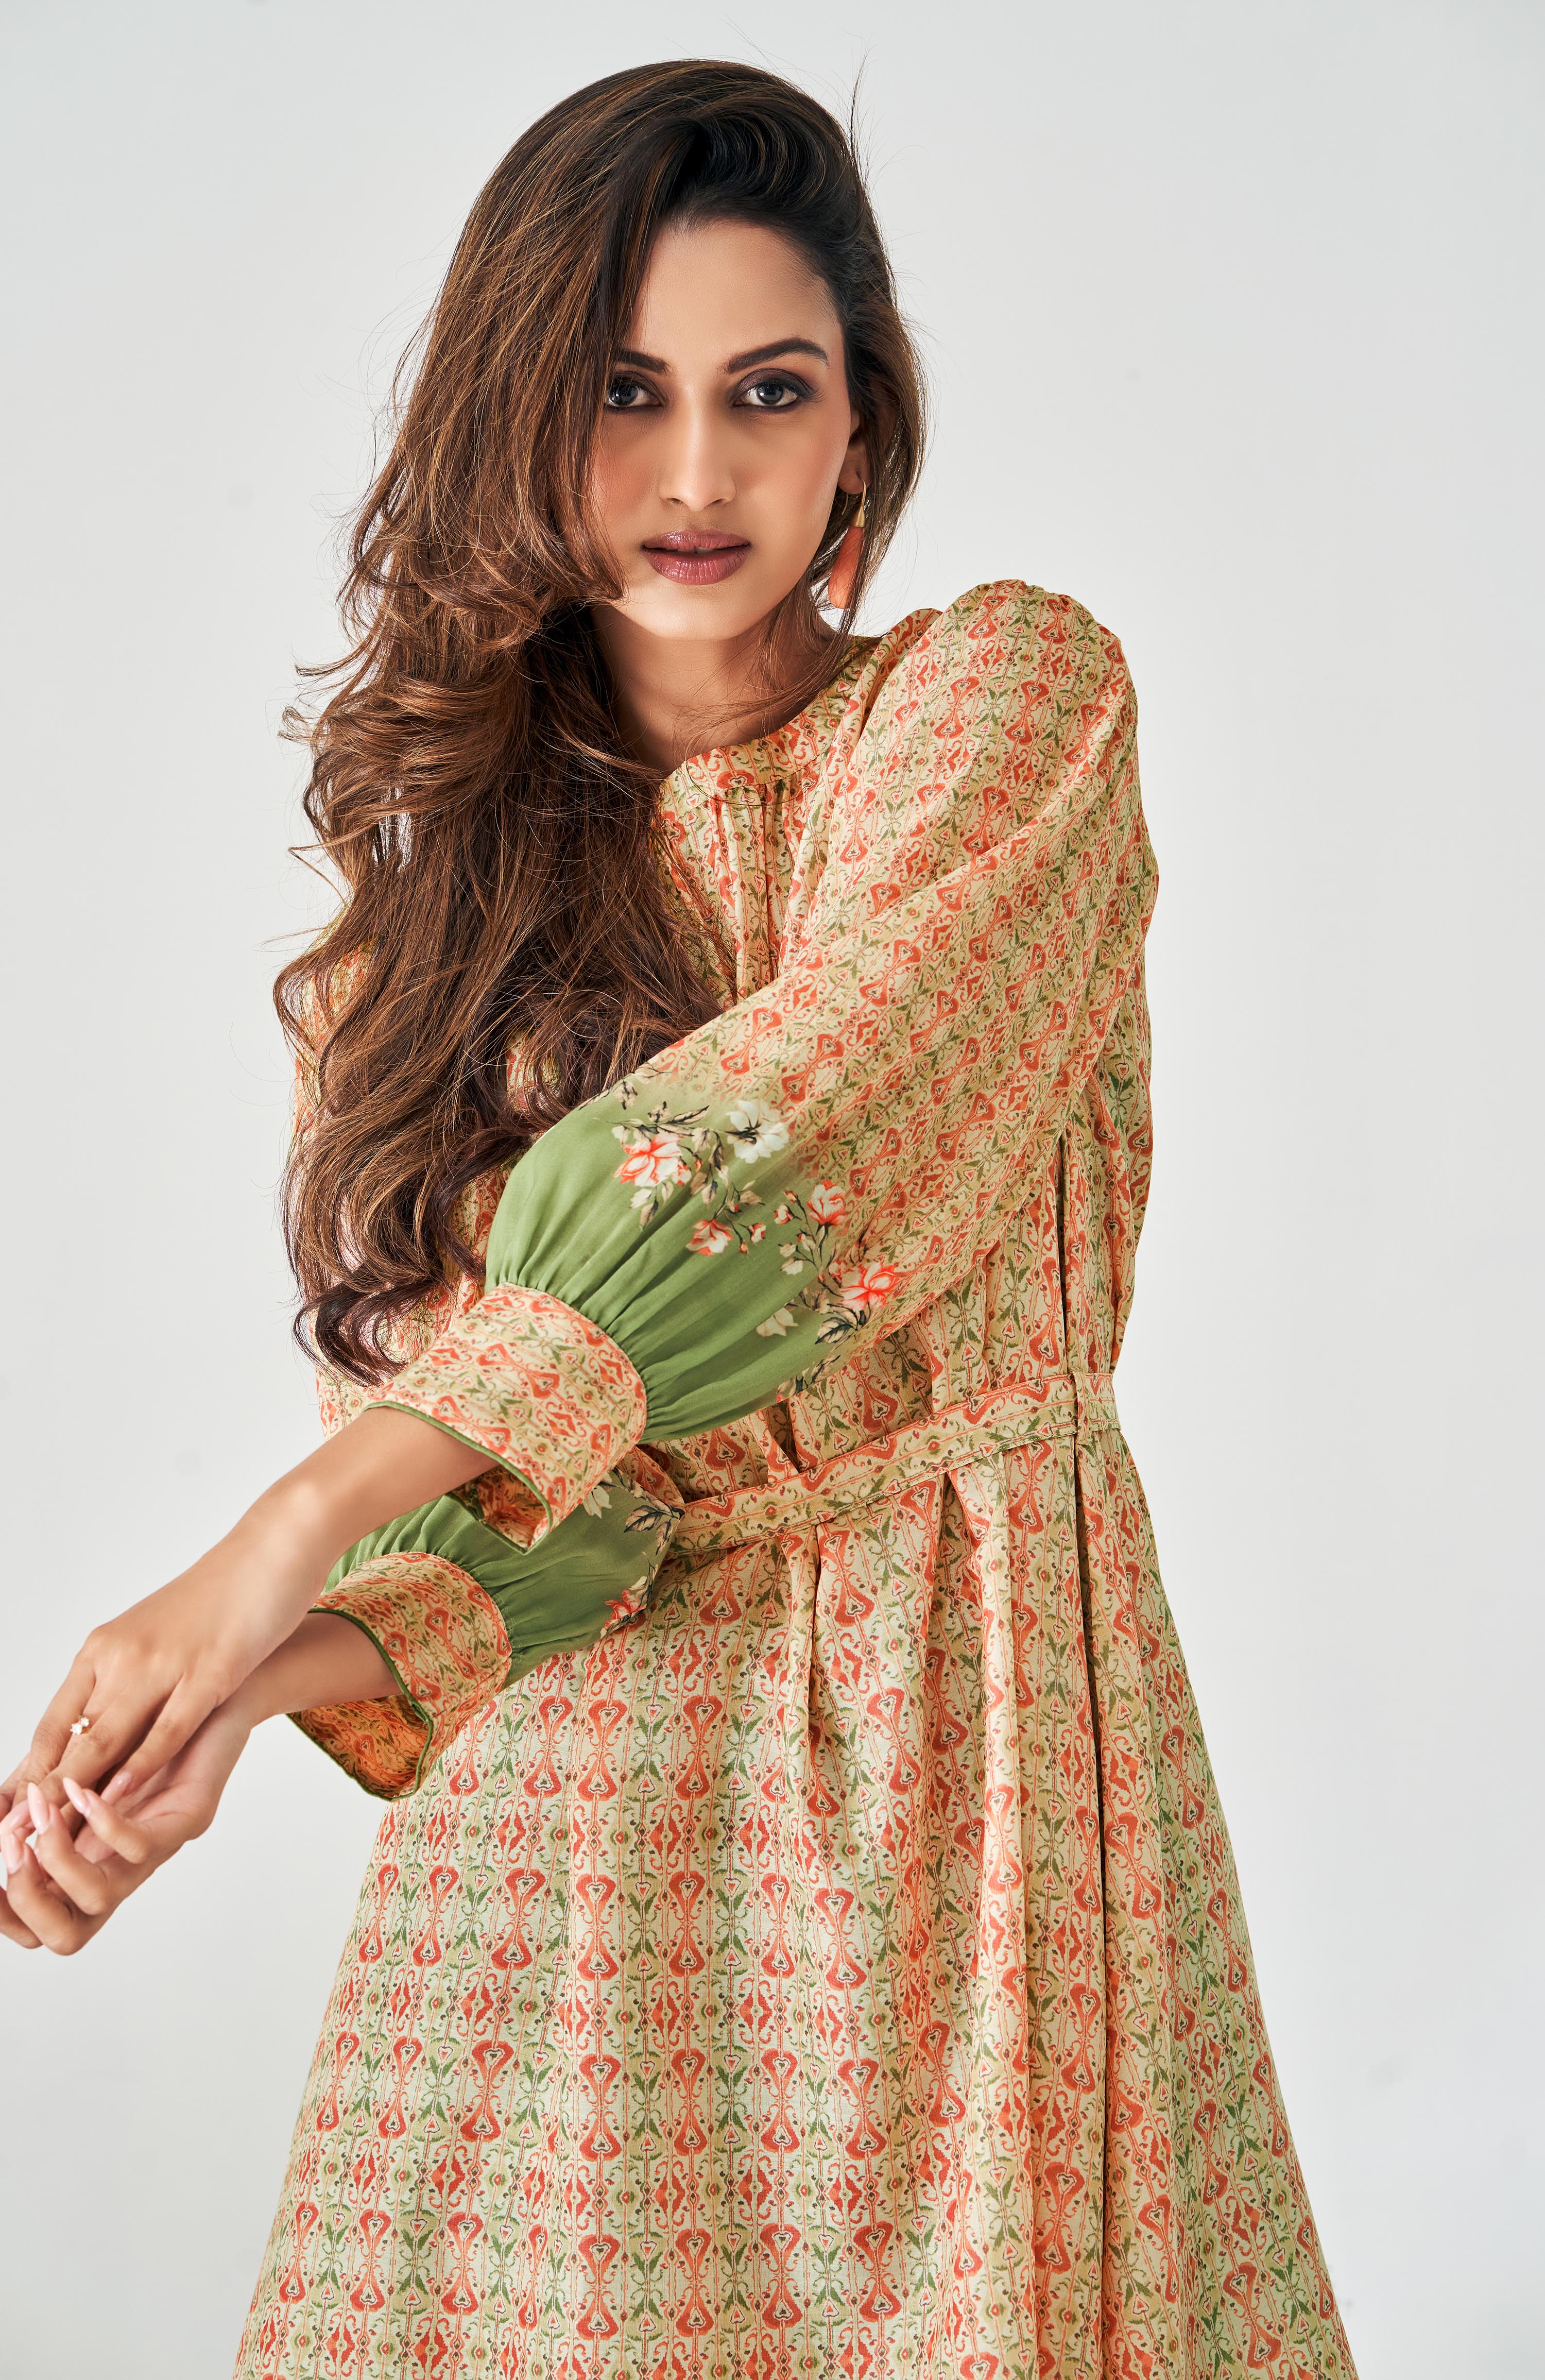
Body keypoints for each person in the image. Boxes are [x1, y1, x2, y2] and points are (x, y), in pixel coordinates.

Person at [0, 59, 1358, 2380]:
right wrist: (255, 1682)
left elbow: (797, 1132)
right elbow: (552, 1525)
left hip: (972, 1778)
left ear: (863, 430)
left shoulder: (1001, 708)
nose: (701, 469)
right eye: (626, 392)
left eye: (770, 389)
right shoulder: (424, 940)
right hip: (570, 1858)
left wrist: (279, 1530)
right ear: (520, 415)